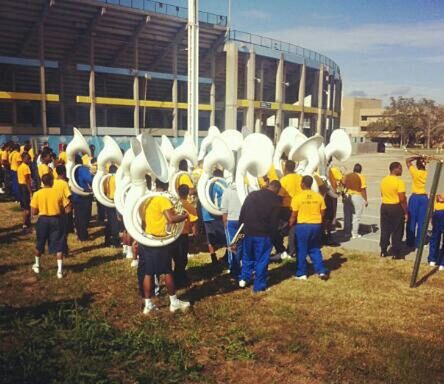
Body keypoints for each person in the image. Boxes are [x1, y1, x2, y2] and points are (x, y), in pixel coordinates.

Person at [138, 179, 190, 314]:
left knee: (148, 272)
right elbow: (171, 219)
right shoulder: (163, 199)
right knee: (167, 271)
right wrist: (184, 216)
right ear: (167, 185)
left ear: (156, 185)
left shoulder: (148, 199)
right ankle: (173, 302)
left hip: (148, 239)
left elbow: (143, 220)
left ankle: (148, 304)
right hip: (160, 240)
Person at [238, 180, 281, 292]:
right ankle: (259, 285)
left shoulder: (252, 195)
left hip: (248, 231)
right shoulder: (276, 200)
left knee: (247, 256)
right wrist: (275, 238)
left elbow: (242, 213)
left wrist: (241, 232)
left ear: (268, 186)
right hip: (263, 234)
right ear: (277, 190)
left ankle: (244, 279)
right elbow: (274, 222)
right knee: (261, 259)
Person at [30, 173, 71, 279]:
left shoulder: (37, 194)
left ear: (42, 182)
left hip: (43, 220)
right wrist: (61, 210)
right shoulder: (58, 193)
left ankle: (37, 265)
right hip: (56, 219)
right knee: (59, 244)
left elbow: (34, 211)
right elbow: (68, 208)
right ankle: (60, 271)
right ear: (52, 181)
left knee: (40, 242)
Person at [289, 175, 329, 280]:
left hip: (303, 225)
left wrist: (290, 223)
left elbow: (294, 214)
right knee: (315, 248)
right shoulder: (318, 196)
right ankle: (320, 270)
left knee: (302, 249)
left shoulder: (297, 197)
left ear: (302, 183)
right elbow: (323, 212)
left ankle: (301, 272)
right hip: (316, 224)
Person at [380, 162, 407, 259]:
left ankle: (383, 250)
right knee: (397, 230)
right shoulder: (399, 182)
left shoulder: (384, 180)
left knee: (385, 229)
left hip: (385, 206)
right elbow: (402, 199)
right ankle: (395, 252)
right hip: (395, 207)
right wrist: (406, 212)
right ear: (395, 169)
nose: (401, 170)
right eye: (400, 168)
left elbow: (382, 194)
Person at [200, 169, 227, 265]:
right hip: (217, 215)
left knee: (210, 239)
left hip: (206, 215)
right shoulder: (222, 184)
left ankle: (213, 258)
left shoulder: (204, 185)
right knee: (225, 237)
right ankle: (228, 257)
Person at [276, 160, 302, 259]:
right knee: (293, 230)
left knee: (280, 230)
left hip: (286, 208)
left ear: (285, 168)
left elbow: (280, 196)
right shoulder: (300, 178)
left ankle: (282, 251)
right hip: (298, 207)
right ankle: (292, 250)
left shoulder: (284, 180)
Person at [175, 184, 198, 287]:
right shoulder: (190, 206)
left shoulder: (174, 204)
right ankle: (180, 278)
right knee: (182, 258)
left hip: (174, 235)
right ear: (188, 193)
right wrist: (194, 234)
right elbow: (193, 222)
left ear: (178, 192)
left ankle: (178, 276)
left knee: (176, 257)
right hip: (183, 235)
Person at [221, 181, 243, 279]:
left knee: (232, 245)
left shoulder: (227, 191)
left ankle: (234, 268)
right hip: (243, 221)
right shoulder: (245, 189)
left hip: (231, 221)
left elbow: (224, 210)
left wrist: (225, 223)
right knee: (242, 243)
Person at [405, 156, 428, 248]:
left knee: (412, 220)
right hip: (424, 198)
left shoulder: (415, 172)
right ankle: (419, 242)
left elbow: (407, 160)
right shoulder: (428, 174)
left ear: (417, 165)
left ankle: (410, 242)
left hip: (415, 198)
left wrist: (417, 157)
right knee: (422, 222)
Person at [343, 164, 368, 239]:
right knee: (356, 216)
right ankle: (354, 233)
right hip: (357, 196)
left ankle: (347, 233)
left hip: (347, 195)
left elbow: (343, 184)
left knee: (347, 215)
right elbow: (363, 189)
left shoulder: (348, 175)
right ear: (360, 170)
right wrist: (365, 199)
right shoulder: (361, 176)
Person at [72, 154, 93, 241]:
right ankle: (83, 236)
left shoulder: (71, 169)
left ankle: (79, 234)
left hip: (75, 195)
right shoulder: (82, 169)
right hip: (84, 195)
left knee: (77, 216)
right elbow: (90, 179)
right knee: (84, 217)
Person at [53, 165, 72, 256]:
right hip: (64, 209)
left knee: (57, 230)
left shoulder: (53, 182)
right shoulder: (64, 183)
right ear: (64, 172)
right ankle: (64, 249)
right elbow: (68, 195)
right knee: (64, 231)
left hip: (55, 208)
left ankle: (58, 248)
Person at [103, 165, 120, 247]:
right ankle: (115, 242)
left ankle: (107, 241)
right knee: (115, 223)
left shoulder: (106, 178)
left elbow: (104, 190)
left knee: (109, 222)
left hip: (108, 200)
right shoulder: (117, 178)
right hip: (115, 201)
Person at [17, 152, 33, 232]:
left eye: (29, 158)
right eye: (27, 158)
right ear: (23, 159)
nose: (29, 160)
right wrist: (30, 191)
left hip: (20, 186)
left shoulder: (20, 167)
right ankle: (25, 224)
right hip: (24, 188)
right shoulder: (26, 167)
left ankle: (27, 223)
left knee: (25, 207)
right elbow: (27, 180)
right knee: (27, 208)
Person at [428, 194, 444, 269]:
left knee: (435, 237)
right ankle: (433, 260)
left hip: (438, 212)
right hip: (438, 212)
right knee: (435, 237)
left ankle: (439, 262)